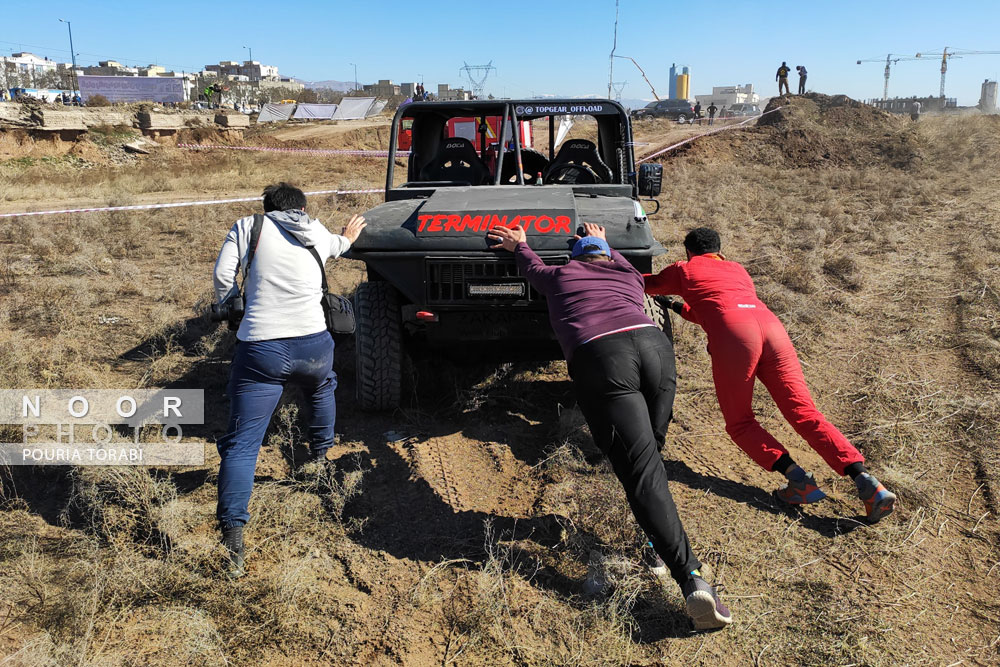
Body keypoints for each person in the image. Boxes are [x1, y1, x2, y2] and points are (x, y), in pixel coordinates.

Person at [488, 222, 732, 631]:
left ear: (576, 258)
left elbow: (530, 267)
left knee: (642, 474)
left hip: (604, 358)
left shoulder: (561, 274)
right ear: (605, 254)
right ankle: (655, 545)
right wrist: (603, 241)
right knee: (651, 457)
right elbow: (612, 256)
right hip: (656, 351)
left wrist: (520, 244)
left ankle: (690, 578)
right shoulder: (628, 274)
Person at [644, 228, 896, 524]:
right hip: (771, 329)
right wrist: (676, 306)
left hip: (736, 338)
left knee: (740, 422)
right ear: (720, 250)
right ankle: (868, 482)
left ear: (688, 251)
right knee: (803, 411)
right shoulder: (737, 270)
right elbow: (714, 307)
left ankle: (798, 480)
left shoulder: (684, 269)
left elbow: (647, 285)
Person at [212, 183, 366, 577]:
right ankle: (318, 457)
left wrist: (230, 304)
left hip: (263, 349)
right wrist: (348, 238)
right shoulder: (315, 229)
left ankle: (233, 537)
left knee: (243, 445)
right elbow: (340, 246)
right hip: (314, 344)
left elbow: (223, 272)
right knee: (321, 386)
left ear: (267, 208)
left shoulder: (250, 226)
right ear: (301, 207)